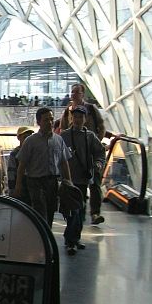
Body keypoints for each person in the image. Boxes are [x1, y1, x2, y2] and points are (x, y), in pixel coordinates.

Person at [15, 107, 73, 228]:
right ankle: (43, 237)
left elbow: (64, 162)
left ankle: (46, 236)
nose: (50, 122)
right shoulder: (31, 141)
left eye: (51, 119)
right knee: (40, 211)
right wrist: (18, 185)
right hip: (35, 182)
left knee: (51, 211)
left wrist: (68, 182)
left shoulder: (58, 140)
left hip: (52, 182)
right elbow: (22, 164)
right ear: (39, 122)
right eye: (46, 120)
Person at [59, 83, 107, 225]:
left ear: (82, 94)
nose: (73, 95)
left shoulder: (91, 109)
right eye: (72, 92)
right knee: (74, 185)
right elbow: (62, 128)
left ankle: (95, 212)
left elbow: (101, 126)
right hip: (73, 155)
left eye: (76, 92)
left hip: (89, 151)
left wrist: (95, 142)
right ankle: (76, 213)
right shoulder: (68, 111)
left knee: (94, 183)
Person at [60, 106, 105, 255]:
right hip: (69, 179)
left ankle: (74, 238)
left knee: (80, 211)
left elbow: (99, 152)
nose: (78, 120)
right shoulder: (64, 135)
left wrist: (98, 163)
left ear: (85, 119)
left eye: (81, 117)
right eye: (76, 117)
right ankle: (71, 240)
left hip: (83, 179)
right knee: (74, 210)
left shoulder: (90, 136)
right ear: (72, 118)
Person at [7, 126, 34, 202]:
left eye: (29, 136)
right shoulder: (14, 154)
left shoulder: (34, 151)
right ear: (18, 138)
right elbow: (11, 173)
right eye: (25, 137)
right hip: (20, 187)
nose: (27, 139)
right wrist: (12, 189)